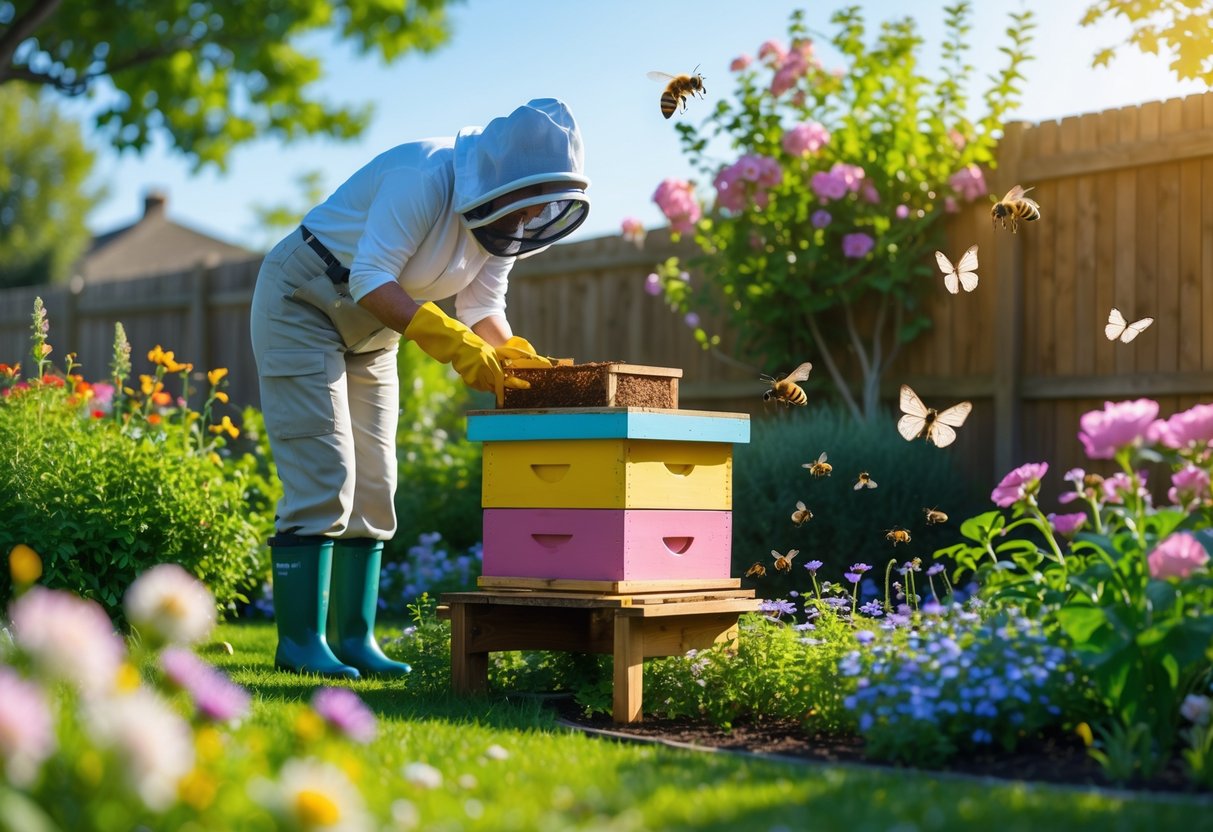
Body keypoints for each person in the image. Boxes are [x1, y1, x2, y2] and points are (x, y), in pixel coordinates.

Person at [250, 98, 590, 679]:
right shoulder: (422, 178)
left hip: (376, 329)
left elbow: (483, 307)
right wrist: (455, 344)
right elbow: (370, 277)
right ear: (502, 180)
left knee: (377, 480)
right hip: (302, 302)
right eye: (526, 206)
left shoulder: (501, 225)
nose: (529, 221)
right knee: (325, 469)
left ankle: (355, 640)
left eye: (539, 210)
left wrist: (516, 361)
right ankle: (300, 643)